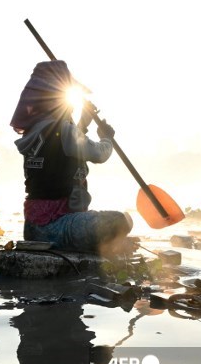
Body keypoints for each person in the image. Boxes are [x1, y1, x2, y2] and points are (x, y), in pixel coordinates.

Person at [11, 60, 133, 255]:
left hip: (33, 227)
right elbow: (98, 154)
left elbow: (66, 146)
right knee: (121, 220)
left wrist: (83, 124)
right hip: (57, 227)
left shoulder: (33, 131)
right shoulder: (63, 131)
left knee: (106, 225)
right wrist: (106, 138)